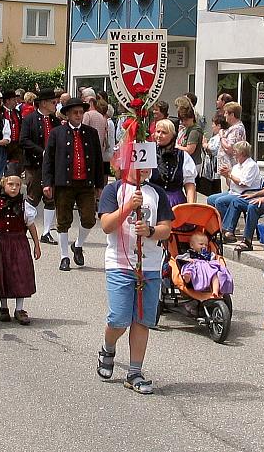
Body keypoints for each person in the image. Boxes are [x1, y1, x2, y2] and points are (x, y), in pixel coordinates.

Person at [96, 167, 173, 394]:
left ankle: (135, 372)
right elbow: (106, 225)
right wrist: (129, 206)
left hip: (149, 266)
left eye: (148, 163)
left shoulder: (158, 193)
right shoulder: (114, 190)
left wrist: (150, 231)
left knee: (142, 320)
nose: (144, 169)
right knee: (119, 318)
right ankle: (108, 348)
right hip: (120, 263)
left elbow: (166, 229)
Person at [42, 98, 105, 271]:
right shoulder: (57, 133)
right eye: (75, 112)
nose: (78, 115)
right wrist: (47, 182)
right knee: (63, 221)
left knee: (89, 219)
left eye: (81, 112)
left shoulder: (91, 133)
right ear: (68, 114)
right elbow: (48, 160)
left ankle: (77, 245)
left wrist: (100, 185)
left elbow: (98, 160)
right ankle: (64, 257)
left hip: (86, 183)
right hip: (64, 183)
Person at [0, 167, 41, 325]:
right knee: (2, 274)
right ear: (3, 185)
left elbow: (31, 226)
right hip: (2, 243)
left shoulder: (25, 207)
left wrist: (37, 245)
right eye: (10, 184)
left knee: (21, 275)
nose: (14, 187)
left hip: (20, 243)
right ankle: (3, 307)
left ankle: (19, 309)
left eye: (17, 185)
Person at [20, 88, 62, 245]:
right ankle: (23, 226)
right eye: (53, 102)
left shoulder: (55, 121)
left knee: (50, 197)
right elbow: (23, 140)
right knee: (33, 197)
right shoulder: (29, 119)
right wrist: (41, 151)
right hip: (35, 165)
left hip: (51, 166)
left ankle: (46, 232)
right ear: (43, 103)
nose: (55, 104)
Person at [206, 141, 261, 242]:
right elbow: (230, 184)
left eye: (235, 151)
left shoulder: (251, 165)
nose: (234, 153)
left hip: (245, 193)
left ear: (243, 153)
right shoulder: (236, 166)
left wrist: (230, 175)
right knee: (211, 199)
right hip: (233, 192)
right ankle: (219, 226)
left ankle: (227, 230)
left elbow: (244, 183)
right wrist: (226, 176)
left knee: (220, 201)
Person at [148, 118, 196, 207]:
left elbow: (189, 184)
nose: (159, 135)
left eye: (164, 132)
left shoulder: (183, 156)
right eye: (158, 131)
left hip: (176, 203)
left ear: (173, 135)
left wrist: (190, 206)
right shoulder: (149, 153)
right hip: (153, 200)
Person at [177, 232, 233, 298]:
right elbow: (178, 257)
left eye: (206, 245)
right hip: (195, 268)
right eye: (201, 244)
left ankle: (215, 290)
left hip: (207, 270)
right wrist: (188, 260)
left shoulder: (209, 254)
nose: (204, 246)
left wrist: (219, 261)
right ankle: (187, 278)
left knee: (215, 274)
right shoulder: (190, 253)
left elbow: (215, 258)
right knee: (189, 268)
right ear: (192, 245)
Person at [199, 113, 227, 196]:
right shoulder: (217, 137)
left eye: (213, 124)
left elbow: (214, 150)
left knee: (214, 192)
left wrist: (205, 145)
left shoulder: (221, 137)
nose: (212, 126)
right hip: (210, 171)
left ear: (218, 125)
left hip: (215, 171)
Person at [218, 102, 246, 169]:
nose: (224, 115)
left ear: (232, 115)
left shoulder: (237, 129)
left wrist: (222, 136)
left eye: (226, 113)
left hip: (230, 167)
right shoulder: (235, 128)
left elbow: (229, 148)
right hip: (227, 168)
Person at [175, 105, 203, 171]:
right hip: (188, 163)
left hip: (193, 164)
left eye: (186, 120)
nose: (184, 122)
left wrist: (176, 146)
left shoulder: (194, 131)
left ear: (192, 118)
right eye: (182, 120)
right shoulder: (187, 129)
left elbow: (189, 150)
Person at [2, 90, 23, 163]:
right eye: (13, 100)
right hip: (4, 144)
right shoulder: (0, 112)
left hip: (16, 144)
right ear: (7, 101)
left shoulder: (16, 112)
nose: (16, 102)